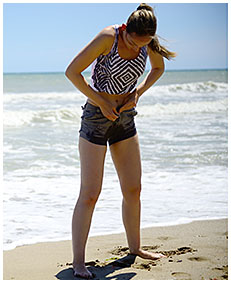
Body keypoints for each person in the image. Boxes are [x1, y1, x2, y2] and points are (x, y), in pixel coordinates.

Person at [65, 3, 176, 279]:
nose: (140, 48)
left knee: (133, 189)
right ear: (126, 30)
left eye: (145, 44)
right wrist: (101, 102)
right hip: (95, 118)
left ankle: (135, 249)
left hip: (125, 120)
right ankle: (78, 262)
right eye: (135, 42)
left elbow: (158, 68)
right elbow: (72, 72)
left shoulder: (146, 39)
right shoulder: (108, 37)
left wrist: (137, 93)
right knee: (90, 194)